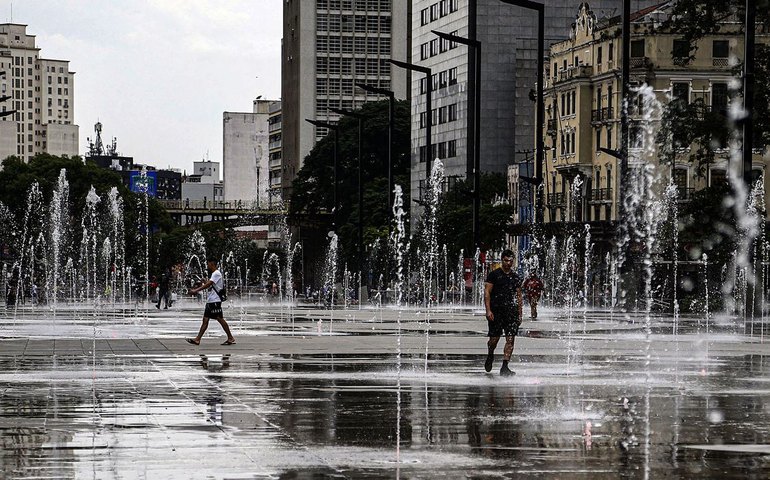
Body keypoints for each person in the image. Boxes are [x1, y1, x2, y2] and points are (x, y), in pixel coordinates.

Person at [484, 249, 522, 376]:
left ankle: (505, 366)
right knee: (494, 339)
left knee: (510, 339)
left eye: (511, 261)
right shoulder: (494, 275)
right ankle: (490, 353)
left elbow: (519, 296)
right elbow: (487, 292)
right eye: (506, 260)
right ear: (502, 260)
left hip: (510, 312)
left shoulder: (515, 277)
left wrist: (520, 314)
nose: (508, 263)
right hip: (496, 311)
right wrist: (488, 310)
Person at [186, 258, 236, 346]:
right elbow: (211, 286)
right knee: (205, 320)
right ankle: (197, 339)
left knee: (220, 319)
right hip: (211, 301)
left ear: (212, 264)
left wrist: (196, 290)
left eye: (208, 264)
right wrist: (205, 282)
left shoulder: (216, 273)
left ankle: (230, 337)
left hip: (215, 301)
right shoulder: (214, 274)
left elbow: (209, 284)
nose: (207, 266)